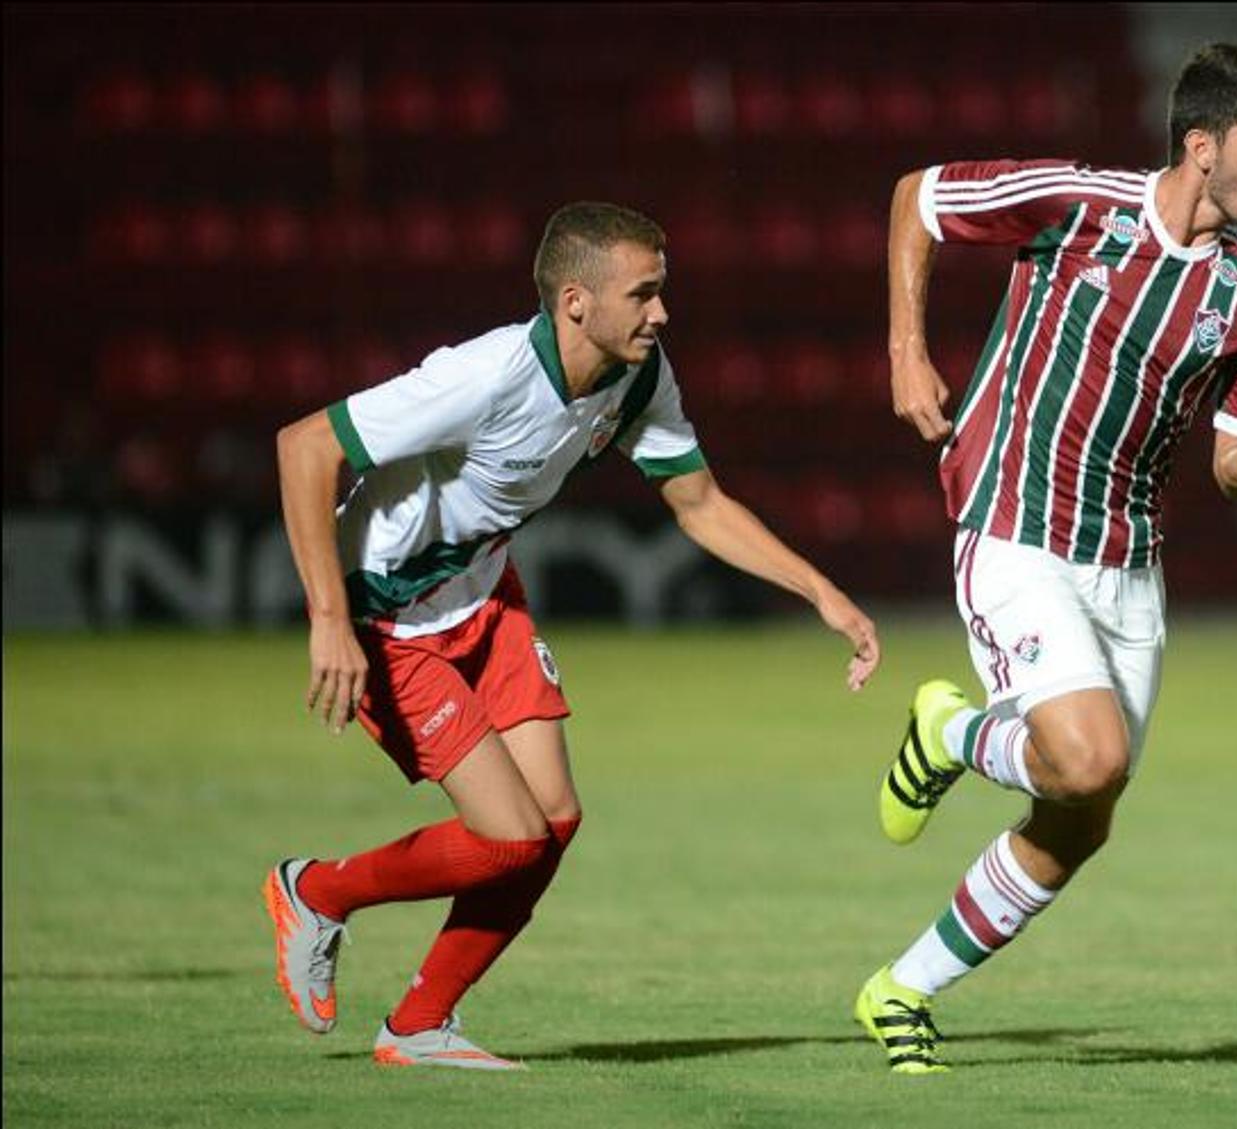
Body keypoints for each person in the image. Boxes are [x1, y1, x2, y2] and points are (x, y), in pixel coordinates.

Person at [266, 201, 881, 1070]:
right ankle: (317, 890)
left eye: (661, 291)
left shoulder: (636, 375)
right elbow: (303, 448)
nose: (662, 312)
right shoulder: (481, 376)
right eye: (645, 294)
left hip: (486, 602)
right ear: (575, 301)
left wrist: (820, 591)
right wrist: (328, 618)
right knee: (507, 834)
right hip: (389, 618)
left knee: (554, 820)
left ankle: (419, 1025)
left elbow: (698, 501)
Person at [854, 43, 1237, 1074]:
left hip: (1128, 560)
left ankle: (901, 987)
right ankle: (952, 735)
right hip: (1013, 518)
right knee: (1089, 757)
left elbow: (1230, 470)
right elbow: (918, 198)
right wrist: (905, 347)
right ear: (1203, 147)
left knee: (1082, 821)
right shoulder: (1082, 204)